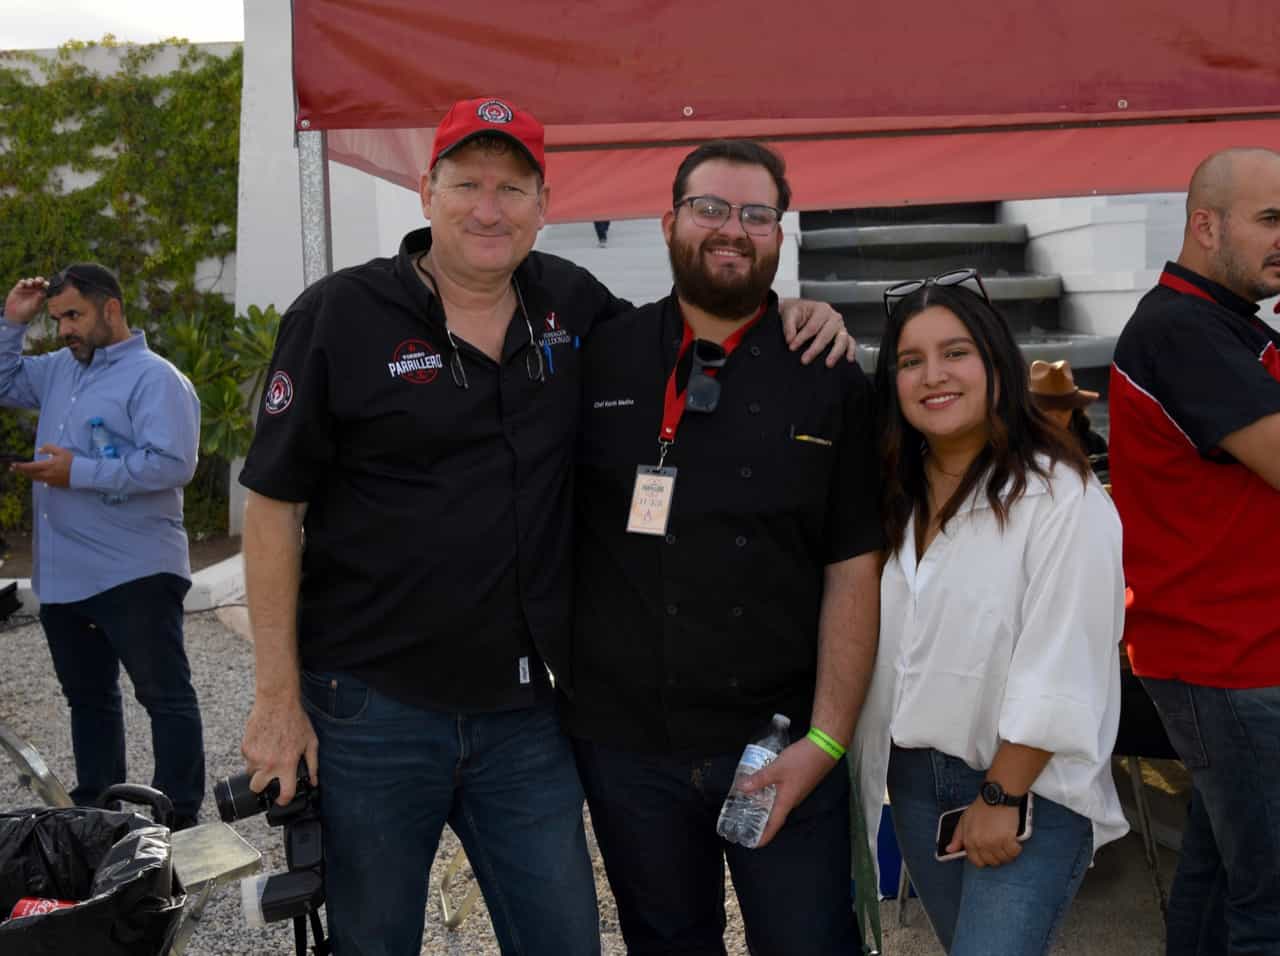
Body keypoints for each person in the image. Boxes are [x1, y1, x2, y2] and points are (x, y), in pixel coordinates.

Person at [237, 97, 853, 956]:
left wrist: (792, 312)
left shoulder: (571, 305)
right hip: (374, 710)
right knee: (373, 940)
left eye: (513, 188)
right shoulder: (338, 317)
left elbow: (695, 322)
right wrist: (276, 701)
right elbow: (272, 509)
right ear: (426, 191)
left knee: (565, 939)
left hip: (525, 717)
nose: (489, 208)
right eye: (468, 183)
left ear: (544, 206)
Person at [565, 139, 881, 955]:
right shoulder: (600, 355)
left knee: (810, 944)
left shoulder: (829, 371)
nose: (731, 229)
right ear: (668, 221)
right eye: (710, 208)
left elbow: (855, 567)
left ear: (781, 232)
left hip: (775, 745)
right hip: (629, 749)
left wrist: (826, 742)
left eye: (756, 214)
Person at [852, 270, 1128, 956]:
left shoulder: (1058, 495)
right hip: (913, 783)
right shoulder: (892, 496)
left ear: (996, 364)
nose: (932, 375)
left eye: (955, 353)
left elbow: (1066, 658)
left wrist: (1001, 798)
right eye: (910, 361)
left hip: (1028, 789)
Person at [1109, 147, 1280, 955]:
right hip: (1231, 661)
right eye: (1271, 220)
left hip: (1229, 656)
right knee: (1268, 900)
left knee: (1219, 883)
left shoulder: (1223, 323)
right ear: (1205, 225)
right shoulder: (1183, 328)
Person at [0, 264, 205, 827]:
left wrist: (79, 473)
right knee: (88, 700)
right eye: (57, 317)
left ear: (110, 309)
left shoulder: (155, 378)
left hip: (135, 569)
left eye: (74, 315)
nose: (64, 328)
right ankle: (100, 815)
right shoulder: (59, 372)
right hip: (64, 577)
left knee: (163, 697)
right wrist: (12, 322)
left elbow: (173, 464)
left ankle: (178, 820)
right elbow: (2, 379)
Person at [1028, 358, 1108, 480]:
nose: (1056, 416)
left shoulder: (1094, 443)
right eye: (1047, 410)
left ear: (1074, 409)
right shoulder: (1019, 445)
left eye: (1063, 409)